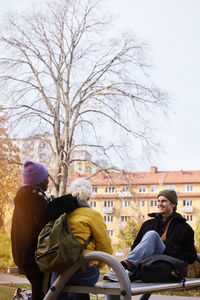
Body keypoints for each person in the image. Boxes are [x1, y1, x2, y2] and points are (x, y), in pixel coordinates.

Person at [104, 189, 197, 300]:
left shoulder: (184, 228)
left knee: (152, 235)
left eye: (164, 201)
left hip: (168, 266)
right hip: (146, 266)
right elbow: (135, 247)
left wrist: (168, 250)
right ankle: (123, 271)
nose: (159, 204)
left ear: (173, 204)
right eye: (158, 201)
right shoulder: (148, 224)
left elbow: (191, 256)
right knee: (112, 287)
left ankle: (121, 268)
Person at [11, 160, 83, 300]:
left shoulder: (27, 196)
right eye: (45, 178)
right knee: (43, 292)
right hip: (33, 257)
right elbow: (45, 216)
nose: (48, 181)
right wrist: (70, 200)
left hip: (24, 255)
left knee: (41, 291)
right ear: (37, 181)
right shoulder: (33, 196)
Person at [51, 177, 113, 300]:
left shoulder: (62, 214)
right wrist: (99, 265)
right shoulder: (94, 215)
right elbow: (105, 247)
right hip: (84, 273)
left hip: (58, 271)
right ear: (89, 197)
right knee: (82, 276)